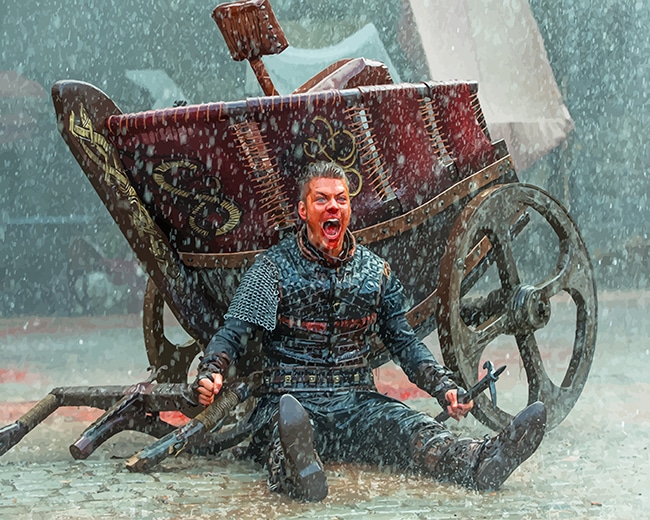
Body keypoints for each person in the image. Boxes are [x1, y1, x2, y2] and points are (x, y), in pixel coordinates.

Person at [193, 161, 546, 502]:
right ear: (303, 210)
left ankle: (479, 462)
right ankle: (299, 475)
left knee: (413, 429)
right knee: (288, 438)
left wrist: (444, 387)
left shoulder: (375, 273)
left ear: (349, 208)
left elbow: (404, 343)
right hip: (291, 400)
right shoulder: (271, 269)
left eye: (341, 199)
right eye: (321, 199)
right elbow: (233, 332)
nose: (333, 206)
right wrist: (212, 371)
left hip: (356, 404)